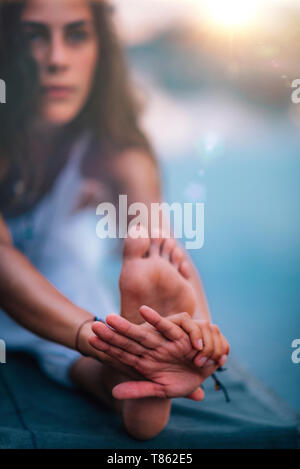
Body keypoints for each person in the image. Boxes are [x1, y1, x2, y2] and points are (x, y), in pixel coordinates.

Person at [0, 0, 229, 440]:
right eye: (34, 36)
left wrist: (196, 335)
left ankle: (135, 380)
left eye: (76, 35)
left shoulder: (119, 149)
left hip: (52, 269)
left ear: (100, 51)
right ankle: (118, 356)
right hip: (11, 275)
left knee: (93, 303)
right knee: (100, 332)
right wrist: (90, 333)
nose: (56, 59)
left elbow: (160, 248)